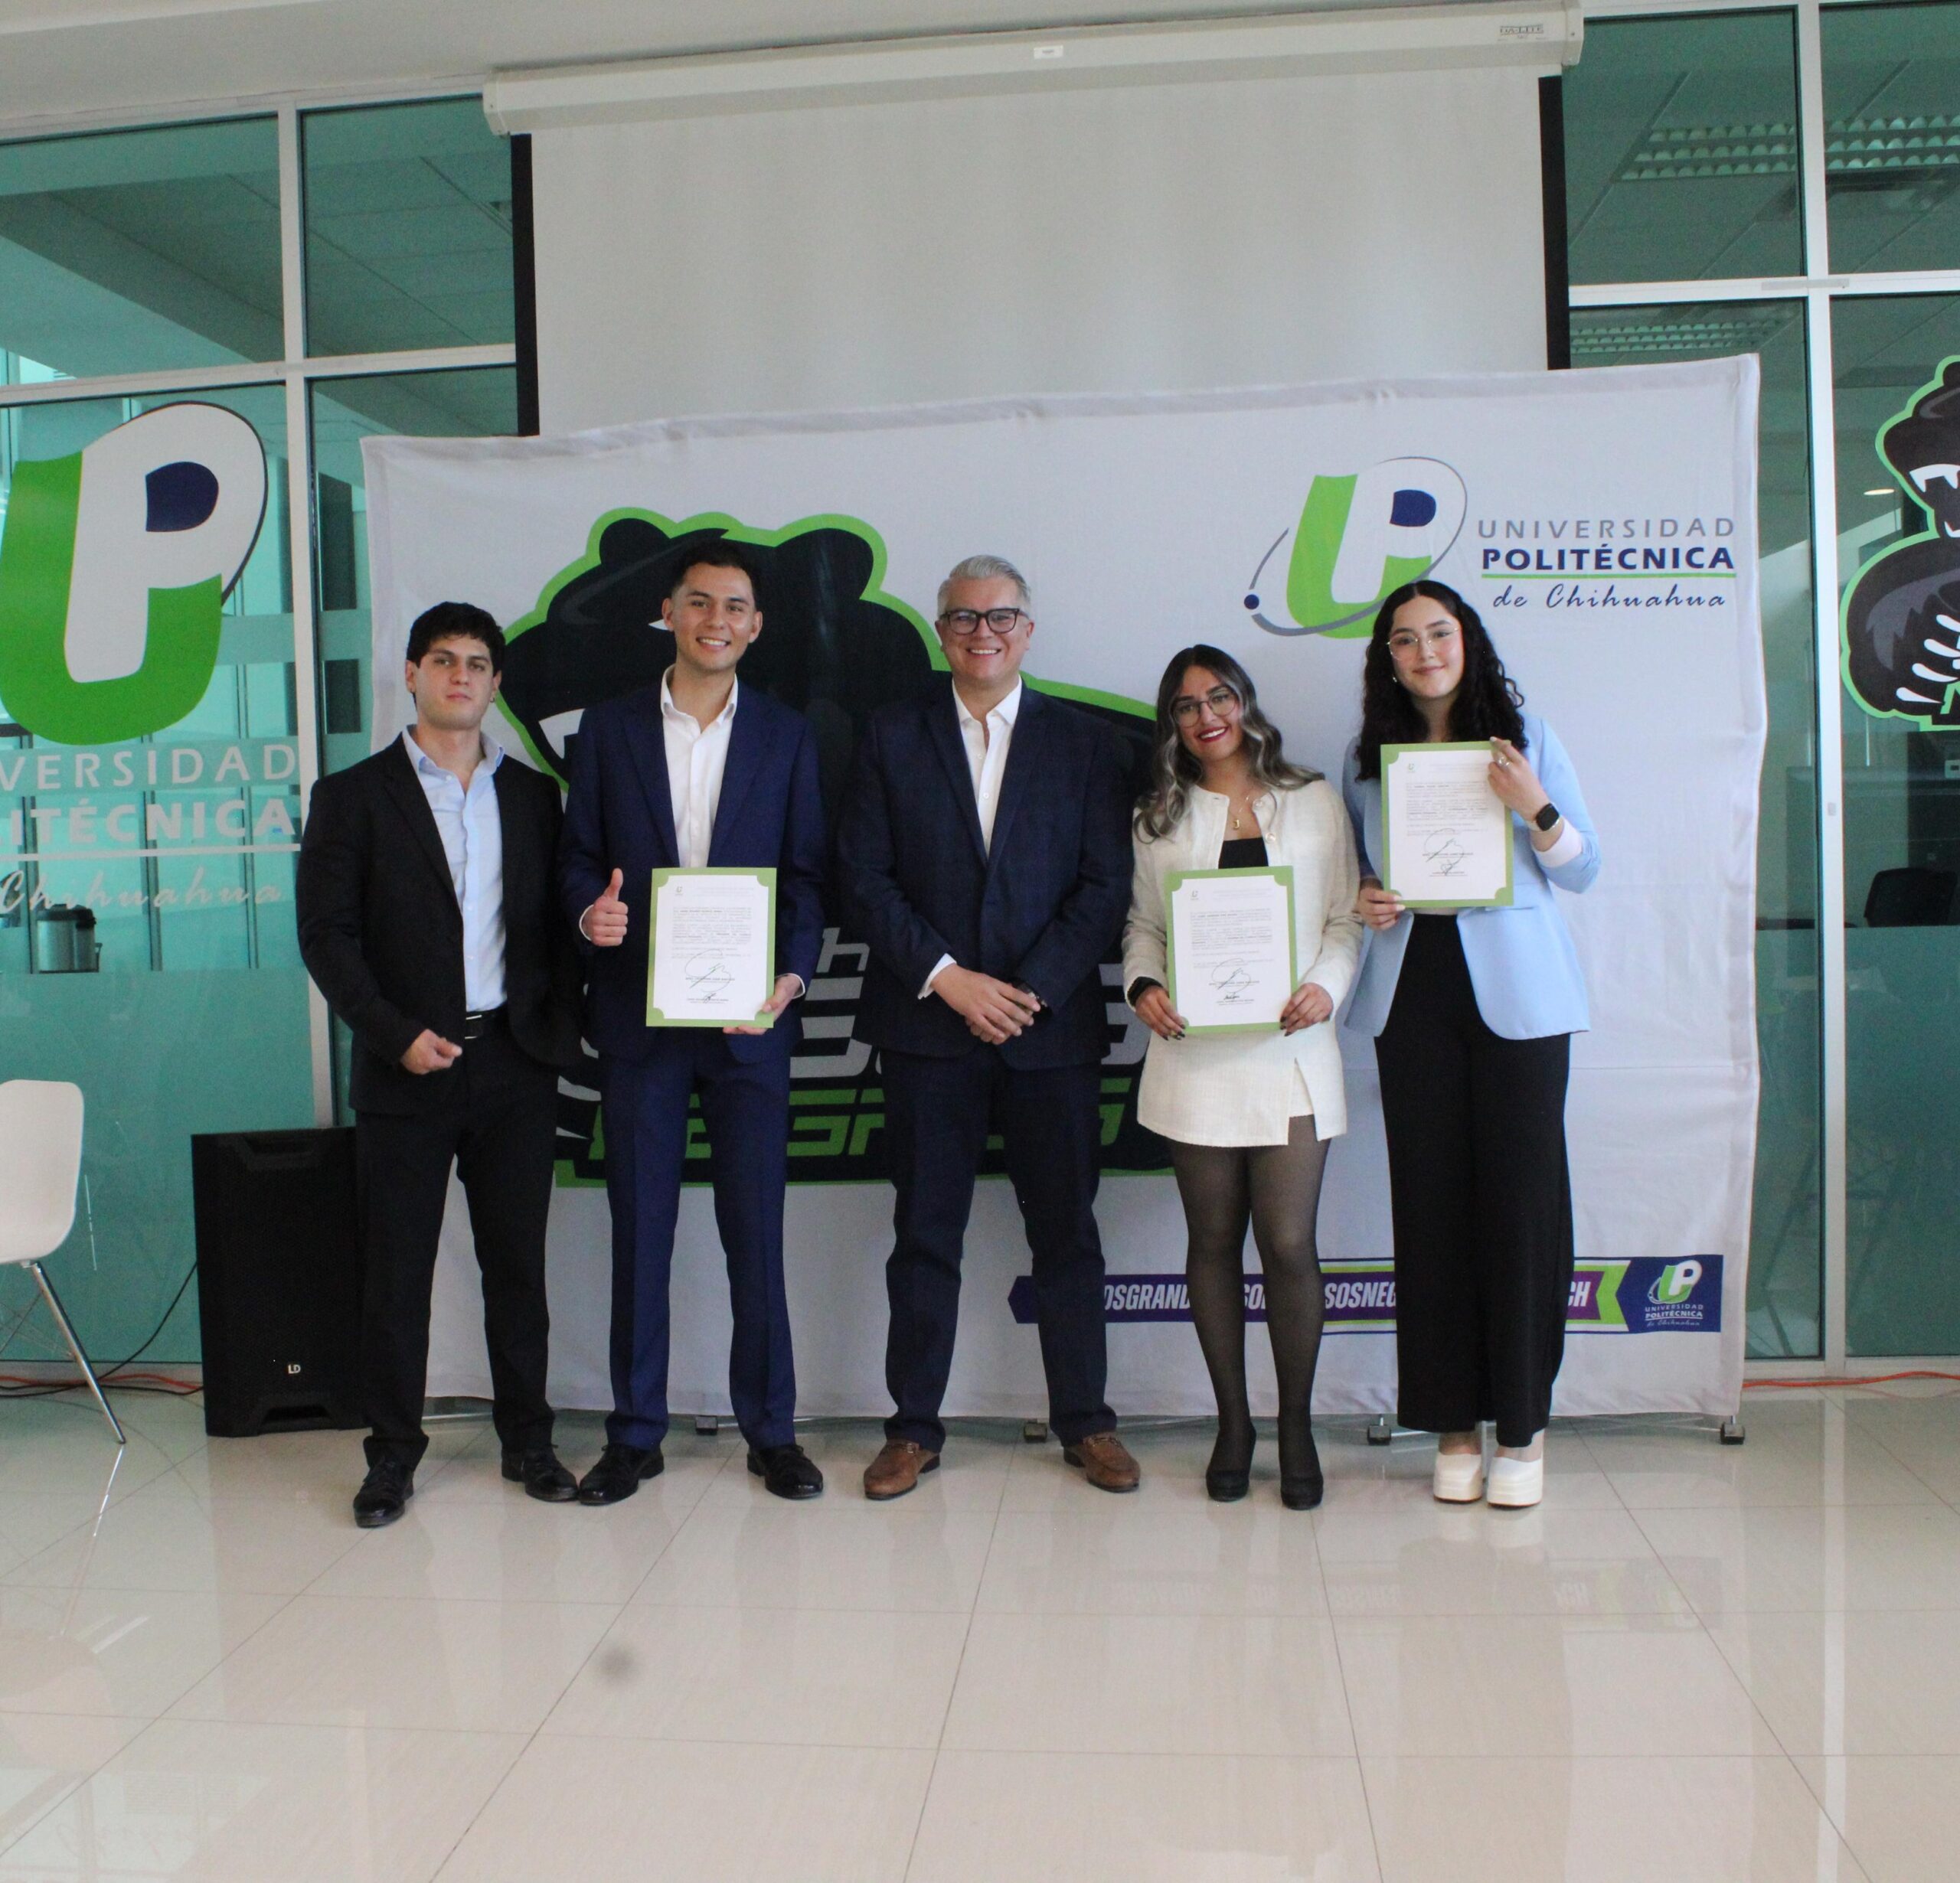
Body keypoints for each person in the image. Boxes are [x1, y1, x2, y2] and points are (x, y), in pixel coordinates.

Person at [838, 554, 1138, 1500]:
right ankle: (912, 1429)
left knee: (1067, 1234)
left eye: (1000, 617)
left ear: (1027, 631)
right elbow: (863, 877)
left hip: (1051, 1032)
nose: (982, 633)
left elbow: (1104, 887)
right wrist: (950, 981)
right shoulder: (889, 735)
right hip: (928, 1027)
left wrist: (1028, 991)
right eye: (964, 618)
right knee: (925, 1235)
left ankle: (1086, 1421)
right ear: (941, 633)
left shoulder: (1084, 744)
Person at [296, 601, 582, 1529]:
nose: (462, 676)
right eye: (444, 660)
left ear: (496, 683)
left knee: (518, 1270)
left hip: (513, 1064)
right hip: (405, 1068)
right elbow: (326, 936)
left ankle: (528, 1442)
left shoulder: (532, 796)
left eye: (478, 663)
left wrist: (555, 1023)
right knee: (396, 1277)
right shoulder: (352, 795)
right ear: (413, 674)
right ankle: (390, 1456)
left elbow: (555, 930)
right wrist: (393, 1034)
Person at [559, 542, 828, 1505]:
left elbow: (806, 877)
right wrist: (589, 913)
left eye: (736, 606)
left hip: (750, 1024)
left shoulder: (787, 734)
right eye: (701, 602)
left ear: (757, 625)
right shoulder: (610, 728)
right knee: (641, 1233)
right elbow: (576, 857)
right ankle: (635, 1435)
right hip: (640, 1020)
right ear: (668, 614)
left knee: (755, 1232)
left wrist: (793, 974)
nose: (718, 620)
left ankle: (772, 1432)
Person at [1341, 579, 1600, 1509]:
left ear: (1468, 641)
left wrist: (1535, 807)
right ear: (1387, 659)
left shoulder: (1525, 742)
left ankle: (1522, 1428)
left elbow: (1585, 868)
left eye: (1439, 633)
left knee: (1522, 1212)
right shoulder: (1366, 761)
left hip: (1519, 1004)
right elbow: (1357, 880)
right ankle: (1450, 1424)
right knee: (1431, 1212)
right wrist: (1367, 900)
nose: (1425, 653)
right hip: (1413, 995)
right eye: (1405, 640)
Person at [1123, 647, 1360, 1509]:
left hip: (1291, 1053)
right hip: (1196, 1058)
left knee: (1289, 1245)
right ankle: (1234, 1424)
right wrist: (1143, 985)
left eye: (1218, 697)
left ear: (1245, 703)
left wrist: (1324, 986)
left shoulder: (1313, 801)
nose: (1205, 717)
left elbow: (1344, 919)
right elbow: (1143, 926)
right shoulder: (1158, 815)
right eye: (1186, 706)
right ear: (1173, 725)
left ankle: (1295, 1424)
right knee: (1213, 1244)